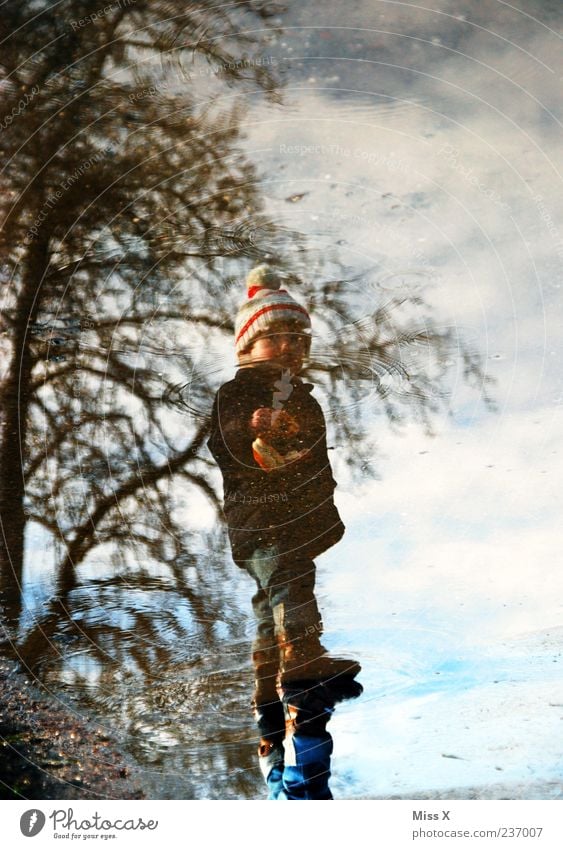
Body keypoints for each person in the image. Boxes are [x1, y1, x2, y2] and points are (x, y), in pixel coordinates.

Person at [208, 264, 362, 799]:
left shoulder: (304, 398)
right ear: (248, 345)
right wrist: (250, 429)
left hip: (292, 516)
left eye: (298, 338)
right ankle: (300, 653)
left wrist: (318, 498)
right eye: (275, 337)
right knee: (289, 579)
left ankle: (267, 675)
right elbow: (224, 442)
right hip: (260, 517)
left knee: (272, 593)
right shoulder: (236, 394)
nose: (290, 347)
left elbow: (313, 452)